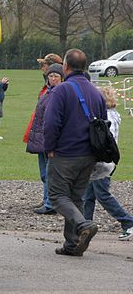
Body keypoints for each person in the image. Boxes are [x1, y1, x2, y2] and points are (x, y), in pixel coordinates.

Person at [43, 49, 105, 257]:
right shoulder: (96, 92)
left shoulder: (62, 90)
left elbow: (51, 123)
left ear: (65, 67)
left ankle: (83, 225)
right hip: (89, 154)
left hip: (66, 153)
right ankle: (72, 244)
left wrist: (49, 147)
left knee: (58, 195)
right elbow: (104, 124)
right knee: (75, 197)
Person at [83, 85, 133, 241]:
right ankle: (84, 225)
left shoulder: (106, 118)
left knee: (102, 195)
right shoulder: (114, 114)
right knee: (88, 195)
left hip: (102, 163)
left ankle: (128, 222)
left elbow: (101, 140)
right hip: (105, 161)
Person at [23, 53, 63, 209]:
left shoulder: (59, 92)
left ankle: (51, 202)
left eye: (45, 65)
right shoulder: (46, 90)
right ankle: (47, 198)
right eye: (49, 75)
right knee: (44, 173)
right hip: (41, 137)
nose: (42, 69)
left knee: (49, 172)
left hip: (49, 138)